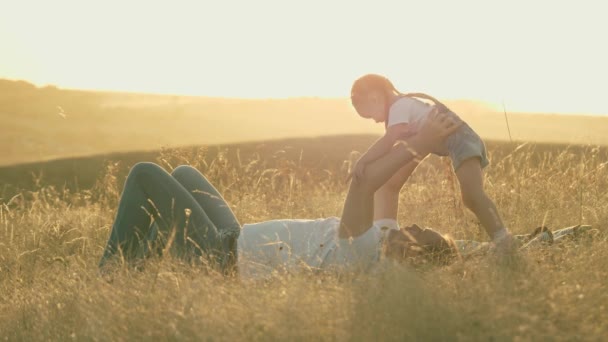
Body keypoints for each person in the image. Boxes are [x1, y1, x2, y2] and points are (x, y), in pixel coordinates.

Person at [98, 109, 462, 277]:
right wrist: (422, 140)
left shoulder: (364, 248)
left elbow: (364, 180)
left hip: (219, 258)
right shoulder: (382, 233)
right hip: (234, 238)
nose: (414, 224)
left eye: (420, 232)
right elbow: (390, 184)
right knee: (183, 173)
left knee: (144, 174)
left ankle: (111, 275)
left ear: (410, 254)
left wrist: (425, 141)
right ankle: (140, 267)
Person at [349, 73, 514, 250]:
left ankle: (503, 239)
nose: (375, 120)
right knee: (470, 198)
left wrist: (363, 161)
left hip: (461, 140)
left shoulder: (399, 107)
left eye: (370, 115)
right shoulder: (403, 107)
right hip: (460, 141)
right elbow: (399, 146)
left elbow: (388, 141)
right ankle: (501, 239)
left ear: (375, 98)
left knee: (473, 195)